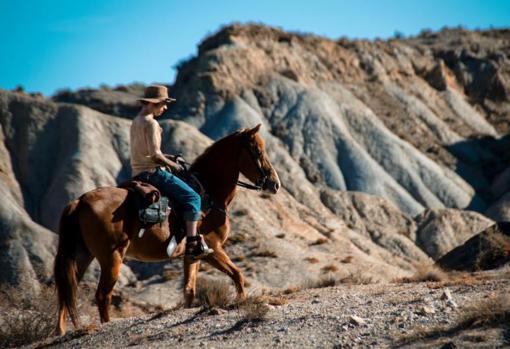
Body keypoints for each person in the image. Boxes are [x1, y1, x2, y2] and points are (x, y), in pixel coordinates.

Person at [130, 84, 213, 260]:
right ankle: (192, 243)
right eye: (163, 103)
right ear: (153, 104)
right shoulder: (151, 123)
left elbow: (144, 151)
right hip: (153, 172)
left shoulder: (136, 121)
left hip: (137, 172)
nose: (165, 107)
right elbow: (155, 155)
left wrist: (168, 157)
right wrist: (173, 165)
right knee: (193, 197)